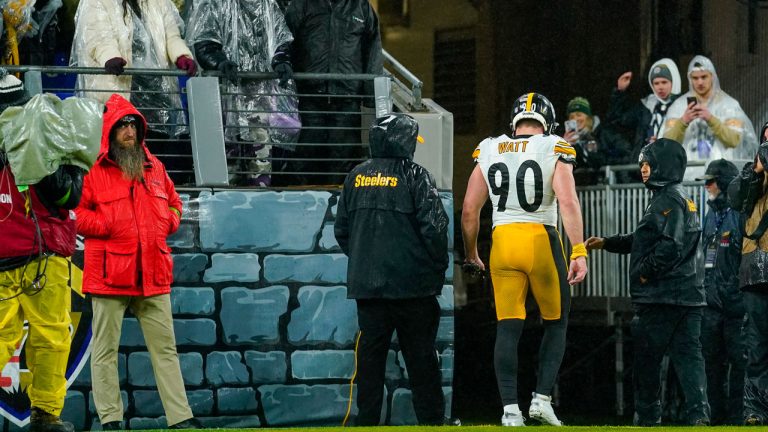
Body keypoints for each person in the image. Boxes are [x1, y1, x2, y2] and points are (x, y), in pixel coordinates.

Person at [75, 94, 201, 430]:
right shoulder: (93, 170)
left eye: (133, 124)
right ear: (110, 131)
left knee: (166, 351)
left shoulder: (155, 166)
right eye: (122, 125)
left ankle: (181, 418)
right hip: (110, 275)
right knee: (104, 353)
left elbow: (175, 203)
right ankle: (111, 420)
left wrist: (167, 222)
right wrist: (105, 226)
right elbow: (74, 214)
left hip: (153, 273)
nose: (129, 130)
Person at [463, 92, 588, 426]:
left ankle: (509, 410)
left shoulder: (489, 147)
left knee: (508, 327)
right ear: (548, 120)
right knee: (556, 321)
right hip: (540, 239)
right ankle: (541, 399)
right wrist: (578, 250)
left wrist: (472, 252)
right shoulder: (554, 146)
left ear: (514, 120)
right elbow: (568, 200)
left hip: (502, 242)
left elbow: (469, 211)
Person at [586, 138, 710, 426]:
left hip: (662, 298)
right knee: (690, 360)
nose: (643, 169)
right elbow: (644, 240)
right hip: (688, 298)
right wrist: (607, 243)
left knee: (647, 363)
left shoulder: (667, 201)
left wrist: (643, 273)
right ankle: (699, 417)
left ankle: (647, 417)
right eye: (642, 164)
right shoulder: (680, 199)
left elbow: (670, 246)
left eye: (648, 164)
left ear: (663, 166)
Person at [334, 114, 448, 426]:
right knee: (422, 361)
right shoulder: (415, 175)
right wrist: (437, 267)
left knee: (370, 363)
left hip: (368, 290)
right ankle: (432, 421)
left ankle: (367, 422)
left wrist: (363, 258)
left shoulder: (355, 176)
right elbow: (435, 229)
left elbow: (341, 231)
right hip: (414, 290)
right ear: (406, 141)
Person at [0, 73, 85, 432]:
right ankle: (46, 415)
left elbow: (71, 196)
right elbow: (71, 197)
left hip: (40, 255)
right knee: (49, 337)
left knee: (50, 337)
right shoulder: (48, 135)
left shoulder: (50, 137)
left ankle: (46, 416)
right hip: (29, 256)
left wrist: (44, 165)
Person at [186, 0, 300, 186]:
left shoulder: (267, 4)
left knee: (260, 157)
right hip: (223, 97)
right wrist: (219, 62)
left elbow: (281, 39)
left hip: (259, 98)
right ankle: (224, 204)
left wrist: (281, 60)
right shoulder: (214, 4)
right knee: (226, 162)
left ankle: (259, 201)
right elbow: (204, 42)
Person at [282, 0, 383, 186]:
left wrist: (370, 96)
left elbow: (373, 50)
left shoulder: (361, 6)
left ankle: (336, 210)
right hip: (308, 98)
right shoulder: (302, 5)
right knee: (303, 160)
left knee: (343, 162)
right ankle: (299, 207)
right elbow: (283, 40)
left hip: (348, 100)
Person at [70, 0, 197, 139]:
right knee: (123, 146)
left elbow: (172, 36)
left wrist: (181, 55)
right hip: (118, 87)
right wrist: (110, 56)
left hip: (156, 91)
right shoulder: (96, 2)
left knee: (158, 143)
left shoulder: (159, 2)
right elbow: (98, 37)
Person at [727, 123, 768, 425]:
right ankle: (755, 411)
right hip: (755, 268)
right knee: (756, 344)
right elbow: (737, 200)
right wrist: (755, 174)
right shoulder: (751, 172)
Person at [664, 55, 757, 171]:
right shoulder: (678, 106)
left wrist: (711, 119)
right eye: (695, 78)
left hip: (719, 175)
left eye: (704, 77)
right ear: (689, 79)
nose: (700, 82)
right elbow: (666, 144)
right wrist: (683, 121)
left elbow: (734, 140)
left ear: (712, 76)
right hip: (687, 174)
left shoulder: (729, 105)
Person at [605, 58, 682, 165]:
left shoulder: (683, 105)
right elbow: (616, 120)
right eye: (656, 83)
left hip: (674, 163)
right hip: (647, 167)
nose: (660, 87)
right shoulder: (646, 106)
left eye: (664, 82)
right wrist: (619, 92)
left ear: (674, 82)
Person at [563, 96, 630, 185]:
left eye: (579, 115)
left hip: (616, 188)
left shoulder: (605, 133)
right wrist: (564, 147)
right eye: (572, 116)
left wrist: (602, 160)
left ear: (588, 117)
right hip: (591, 193)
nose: (576, 119)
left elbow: (627, 153)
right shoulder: (573, 141)